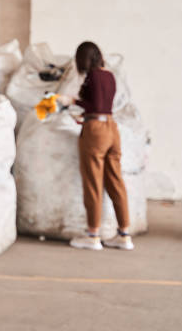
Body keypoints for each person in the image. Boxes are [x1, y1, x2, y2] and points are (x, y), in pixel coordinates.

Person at [57, 41, 134, 251]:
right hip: (111, 128)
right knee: (116, 181)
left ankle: (92, 234)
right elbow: (103, 106)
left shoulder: (92, 76)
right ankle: (124, 234)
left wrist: (71, 101)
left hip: (95, 132)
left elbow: (93, 104)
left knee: (93, 182)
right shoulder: (109, 76)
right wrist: (87, 115)